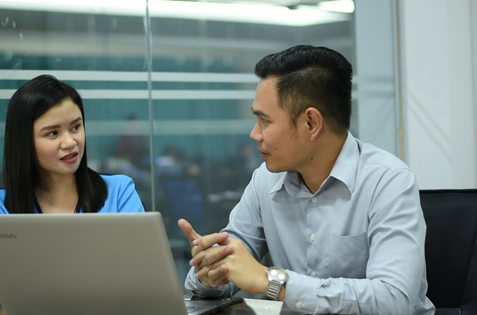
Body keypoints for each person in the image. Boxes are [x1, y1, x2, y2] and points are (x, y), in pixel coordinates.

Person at [178, 45, 435, 314]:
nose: (255, 134)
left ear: (311, 123)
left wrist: (271, 281)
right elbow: (227, 266)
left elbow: (393, 301)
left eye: (264, 121)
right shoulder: (264, 180)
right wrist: (211, 271)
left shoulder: (388, 182)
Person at [0, 75, 145, 264]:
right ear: (24, 142)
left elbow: (142, 267)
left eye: (76, 127)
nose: (70, 142)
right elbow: (8, 282)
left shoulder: (119, 192)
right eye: (53, 133)